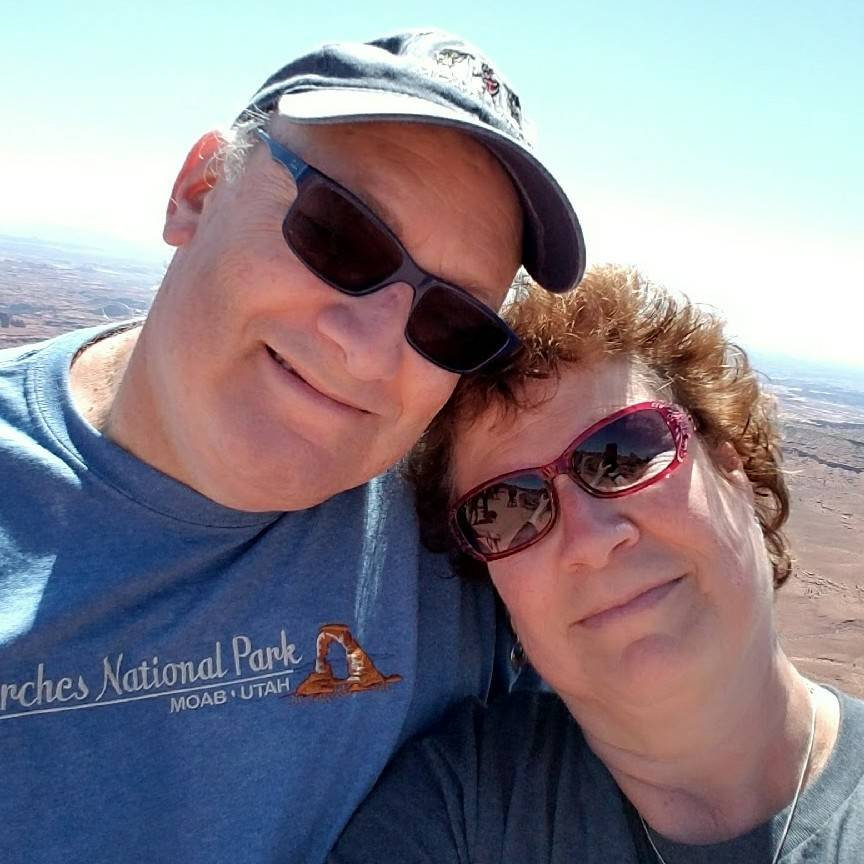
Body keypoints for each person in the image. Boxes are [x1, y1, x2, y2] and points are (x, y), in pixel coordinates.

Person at [0, 30, 585, 864]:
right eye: (341, 235)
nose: (370, 351)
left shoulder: (472, 526)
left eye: (454, 321)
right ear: (199, 190)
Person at [330, 266, 864, 863]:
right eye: (506, 509)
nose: (589, 539)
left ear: (731, 468)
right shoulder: (455, 811)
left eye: (627, 453)